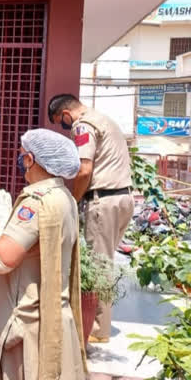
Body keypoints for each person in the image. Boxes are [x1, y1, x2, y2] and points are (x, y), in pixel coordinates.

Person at [0, 129, 87, 380]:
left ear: (32, 159)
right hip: (52, 316)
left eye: (22, 156)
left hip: (27, 326)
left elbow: (1, 260)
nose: (21, 162)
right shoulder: (65, 197)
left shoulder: (36, 203)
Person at [48, 93, 134, 344]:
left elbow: (85, 169)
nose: (64, 126)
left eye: (59, 121)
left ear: (65, 113)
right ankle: (98, 323)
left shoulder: (82, 125)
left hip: (103, 200)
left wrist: (72, 199)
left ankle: (97, 329)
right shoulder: (104, 119)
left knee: (98, 265)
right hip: (123, 199)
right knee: (104, 261)